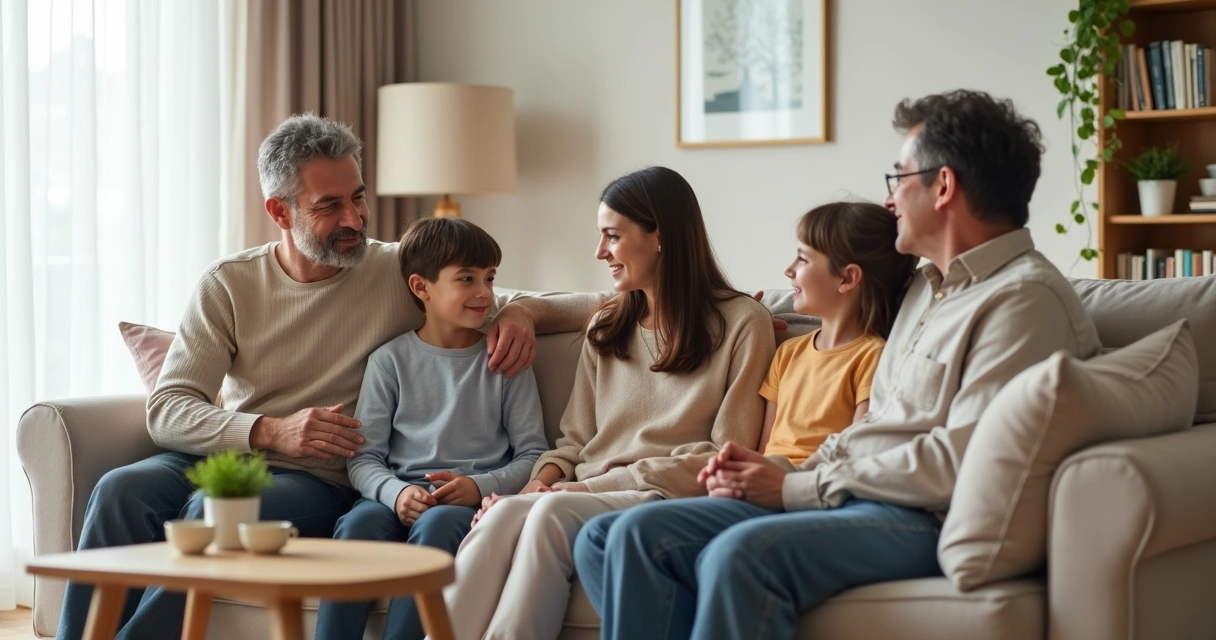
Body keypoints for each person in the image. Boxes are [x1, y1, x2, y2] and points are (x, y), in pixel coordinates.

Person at [573, 90, 1103, 640]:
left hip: (915, 514)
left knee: (740, 555)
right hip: (851, 493)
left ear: (943, 186)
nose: (889, 198)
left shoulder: (1021, 302)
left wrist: (798, 488)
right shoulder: (927, 288)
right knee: (614, 537)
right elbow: (870, 424)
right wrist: (788, 471)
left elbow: (956, 461)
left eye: (898, 178)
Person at [56, 114, 598, 640]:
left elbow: (549, 302)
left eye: (358, 196)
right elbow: (168, 408)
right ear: (280, 211)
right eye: (329, 205)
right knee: (120, 490)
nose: (355, 219)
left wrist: (524, 314)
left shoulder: (395, 271)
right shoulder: (230, 284)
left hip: (317, 479)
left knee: (215, 513)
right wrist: (268, 430)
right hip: (225, 455)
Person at [439, 166, 776, 640]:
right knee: (504, 515)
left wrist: (574, 492)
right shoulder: (608, 325)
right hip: (585, 491)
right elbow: (574, 443)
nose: (600, 253)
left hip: (659, 494)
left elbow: (725, 458)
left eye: (612, 237)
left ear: (660, 236)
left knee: (549, 516)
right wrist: (539, 485)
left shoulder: (743, 323)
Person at [314, 217, 549, 640]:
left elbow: (534, 455)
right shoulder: (389, 361)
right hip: (395, 493)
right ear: (422, 287)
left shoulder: (505, 363)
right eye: (466, 278)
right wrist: (396, 492)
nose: (484, 292)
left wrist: (478, 487)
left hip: (464, 503)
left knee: (438, 527)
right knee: (356, 527)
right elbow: (365, 457)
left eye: (489, 278)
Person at [757, 202, 917, 465]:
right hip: (763, 482)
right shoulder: (787, 353)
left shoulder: (873, 357)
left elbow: (856, 448)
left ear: (847, 279)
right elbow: (763, 450)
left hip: (812, 484)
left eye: (803, 258)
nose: (789, 269)